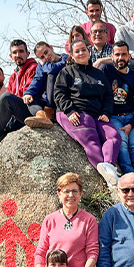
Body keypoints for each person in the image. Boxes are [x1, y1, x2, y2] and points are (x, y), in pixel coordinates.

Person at [53, 39, 123, 183]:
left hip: (97, 114)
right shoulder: (67, 72)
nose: (81, 53)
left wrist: (106, 112)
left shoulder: (99, 74)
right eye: (77, 51)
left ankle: (108, 167)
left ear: (88, 51)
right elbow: (59, 93)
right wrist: (70, 110)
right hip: (75, 112)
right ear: (71, 55)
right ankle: (110, 180)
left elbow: (109, 96)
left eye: (83, 49)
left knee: (114, 136)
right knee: (92, 140)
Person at [31, 174, 98, 267]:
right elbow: (41, 252)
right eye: (66, 191)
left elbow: (93, 252)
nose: (71, 195)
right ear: (59, 193)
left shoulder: (89, 220)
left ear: (80, 193)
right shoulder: (50, 220)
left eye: (74, 191)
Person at [102, 42, 134, 175]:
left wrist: (131, 124)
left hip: (131, 116)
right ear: (112, 56)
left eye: (123, 54)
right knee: (121, 143)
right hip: (114, 116)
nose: (120, 57)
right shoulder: (106, 70)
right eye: (117, 54)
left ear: (129, 56)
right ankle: (129, 173)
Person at [22, 42, 66, 128]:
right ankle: (41, 115)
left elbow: (54, 68)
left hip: (62, 98)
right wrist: (29, 93)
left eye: (46, 52)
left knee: (51, 76)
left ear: (51, 47)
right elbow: (37, 79)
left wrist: (45, 65)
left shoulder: (66, 58)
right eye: (42, 57)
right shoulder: (41, 66)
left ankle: (50, 111)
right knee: (30, 99)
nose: (46, 57)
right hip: (47, 100)